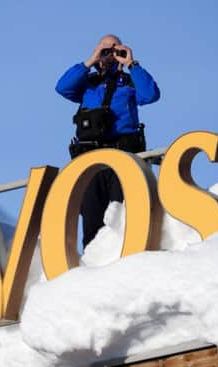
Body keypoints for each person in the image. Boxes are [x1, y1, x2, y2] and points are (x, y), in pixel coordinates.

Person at [55, 34, 160, 247]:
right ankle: (94, 266)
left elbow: (150, 95)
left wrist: (131, 63)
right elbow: (62, 87)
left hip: (122, 158)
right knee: (92, 219)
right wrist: (91, 60)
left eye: (113, 49)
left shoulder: (129, 83)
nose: (109, 54)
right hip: (89, 162)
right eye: (104, 49)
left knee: (121, 216)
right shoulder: (87, 84)